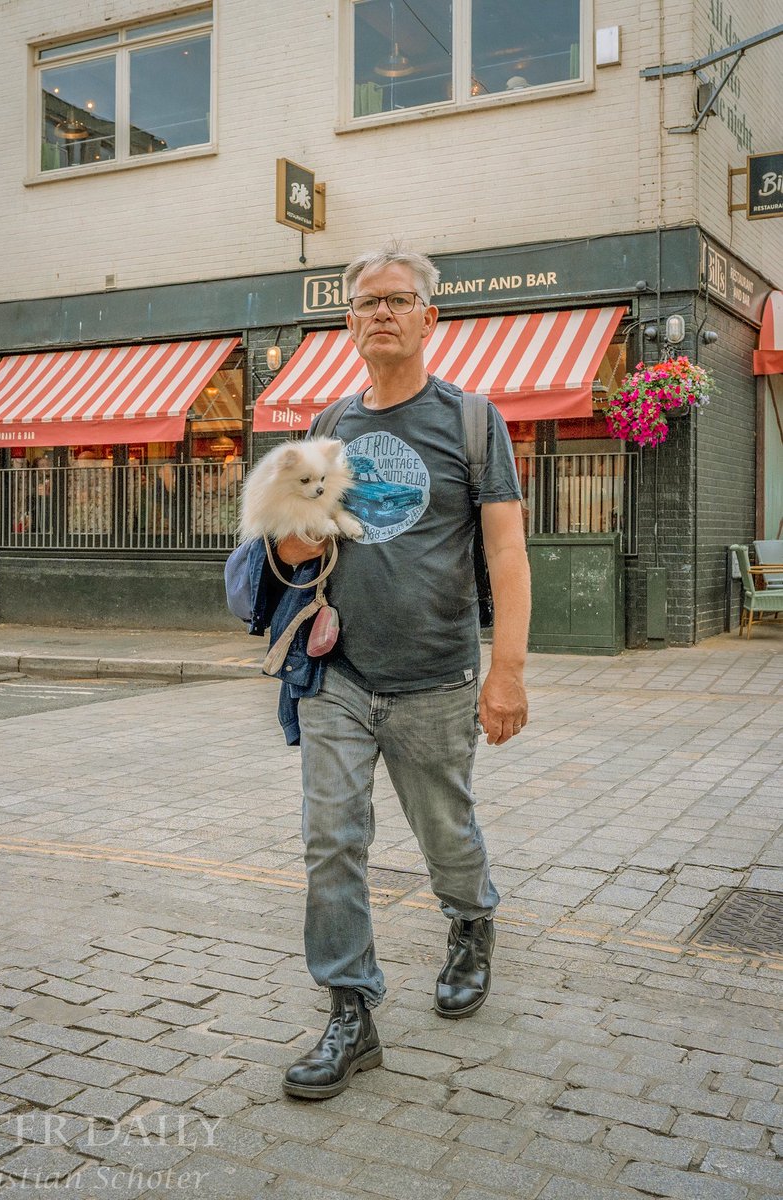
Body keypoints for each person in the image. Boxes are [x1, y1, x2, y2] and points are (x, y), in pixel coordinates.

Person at [239, 244, 530, 1101]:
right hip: (339, 674)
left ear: (429, 317)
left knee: (446, 832)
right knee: (332, 841)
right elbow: (295, 545)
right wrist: (290, 536)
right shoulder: (331, 427)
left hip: (437, 676)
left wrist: (505, 670)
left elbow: (507, 551)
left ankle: (471, 922)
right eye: (365, 303)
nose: (381, 314)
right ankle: (349, 1009)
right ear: (351, 322)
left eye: (398, 301)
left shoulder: (472, 421)